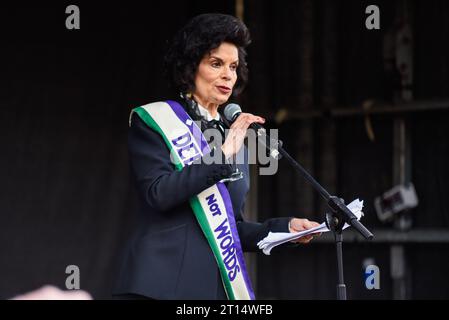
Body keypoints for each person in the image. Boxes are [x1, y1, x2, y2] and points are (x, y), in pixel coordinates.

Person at [113, 13, 320, 300]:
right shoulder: (155, 120)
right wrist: (222, 155)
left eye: (233, 66)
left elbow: (230, 228)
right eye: (216, 64)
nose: (228, 75)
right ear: (189, 68)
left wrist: (285, 230)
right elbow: (158, 193)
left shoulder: (232, 136)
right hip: (159, 285)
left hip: (213, 291)